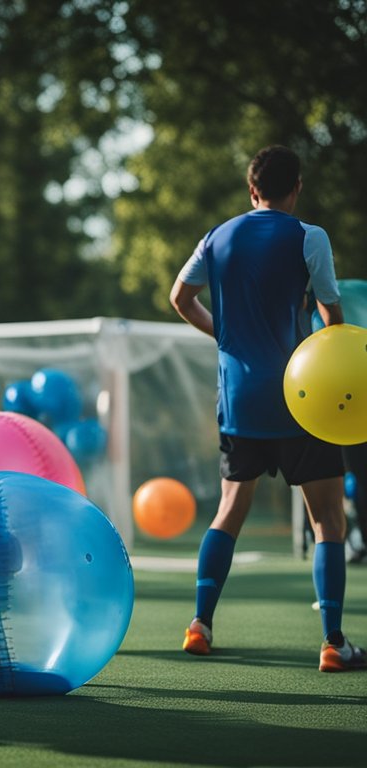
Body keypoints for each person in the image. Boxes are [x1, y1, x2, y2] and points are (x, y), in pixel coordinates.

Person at [170, 144, 364, 672]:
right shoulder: (309, 236)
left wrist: (224, 336)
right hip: (303, 401)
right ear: (296, 187)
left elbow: (179, 298)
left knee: (230, 511)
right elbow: (332, 315)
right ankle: (332, 642)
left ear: (251, 190)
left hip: (238, 399)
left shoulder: (216, 237)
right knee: (327, 520)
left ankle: (199, 626)